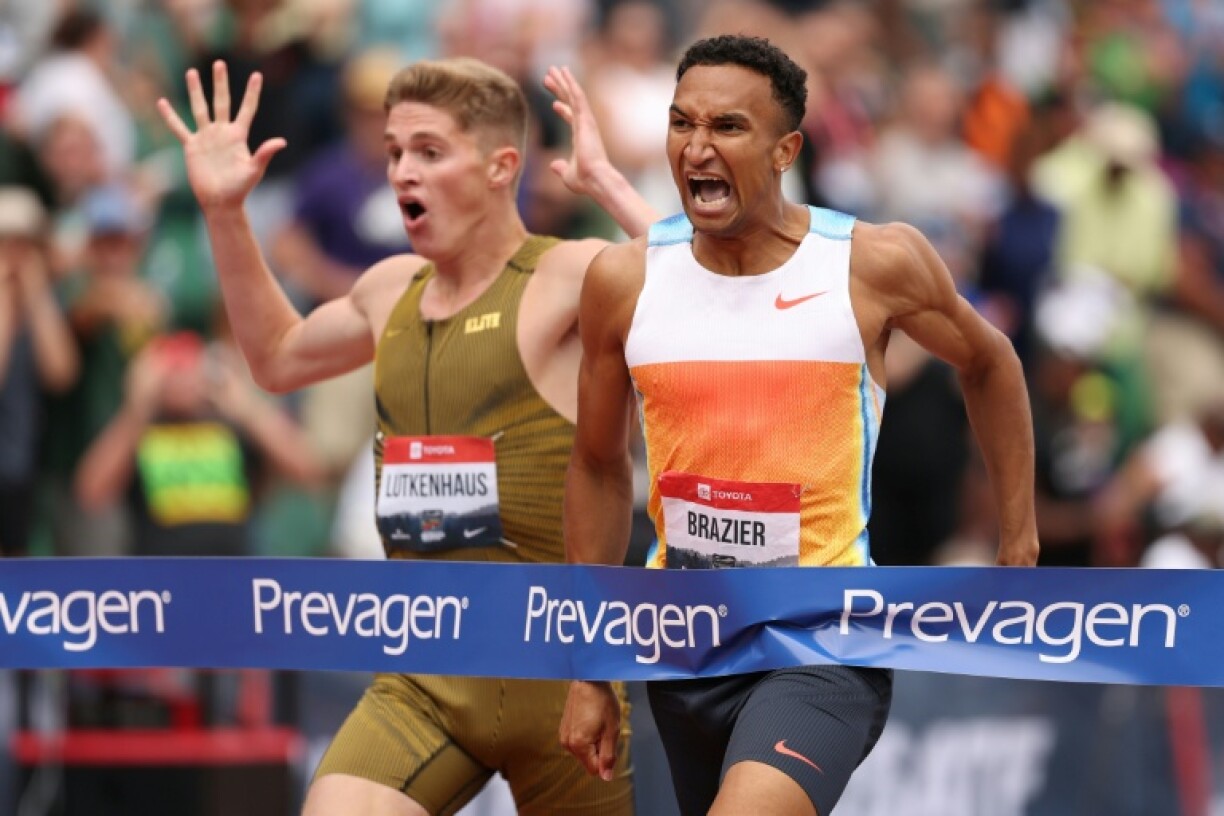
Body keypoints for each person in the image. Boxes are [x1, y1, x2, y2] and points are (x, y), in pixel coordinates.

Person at [158, 57, 654, 815]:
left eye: (428, 151)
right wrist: (226, 213)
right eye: (393, 152)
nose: (401, 172)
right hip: (423, 677)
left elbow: (710, 289)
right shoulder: (388, 288)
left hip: (561, 678)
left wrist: (609, 186)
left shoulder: (568, 276)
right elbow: (276, 358)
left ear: (501, 167)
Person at [559, 34, 1039, 816]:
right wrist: (590, 669)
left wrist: (1018, 541)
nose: (696, 147)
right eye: (681, 123)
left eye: (727, 126)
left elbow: (991, 362)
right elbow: (597, 466)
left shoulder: (871, 264)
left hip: (824, 644)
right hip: (685, 645)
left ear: (786, 151)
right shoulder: (623, 280)